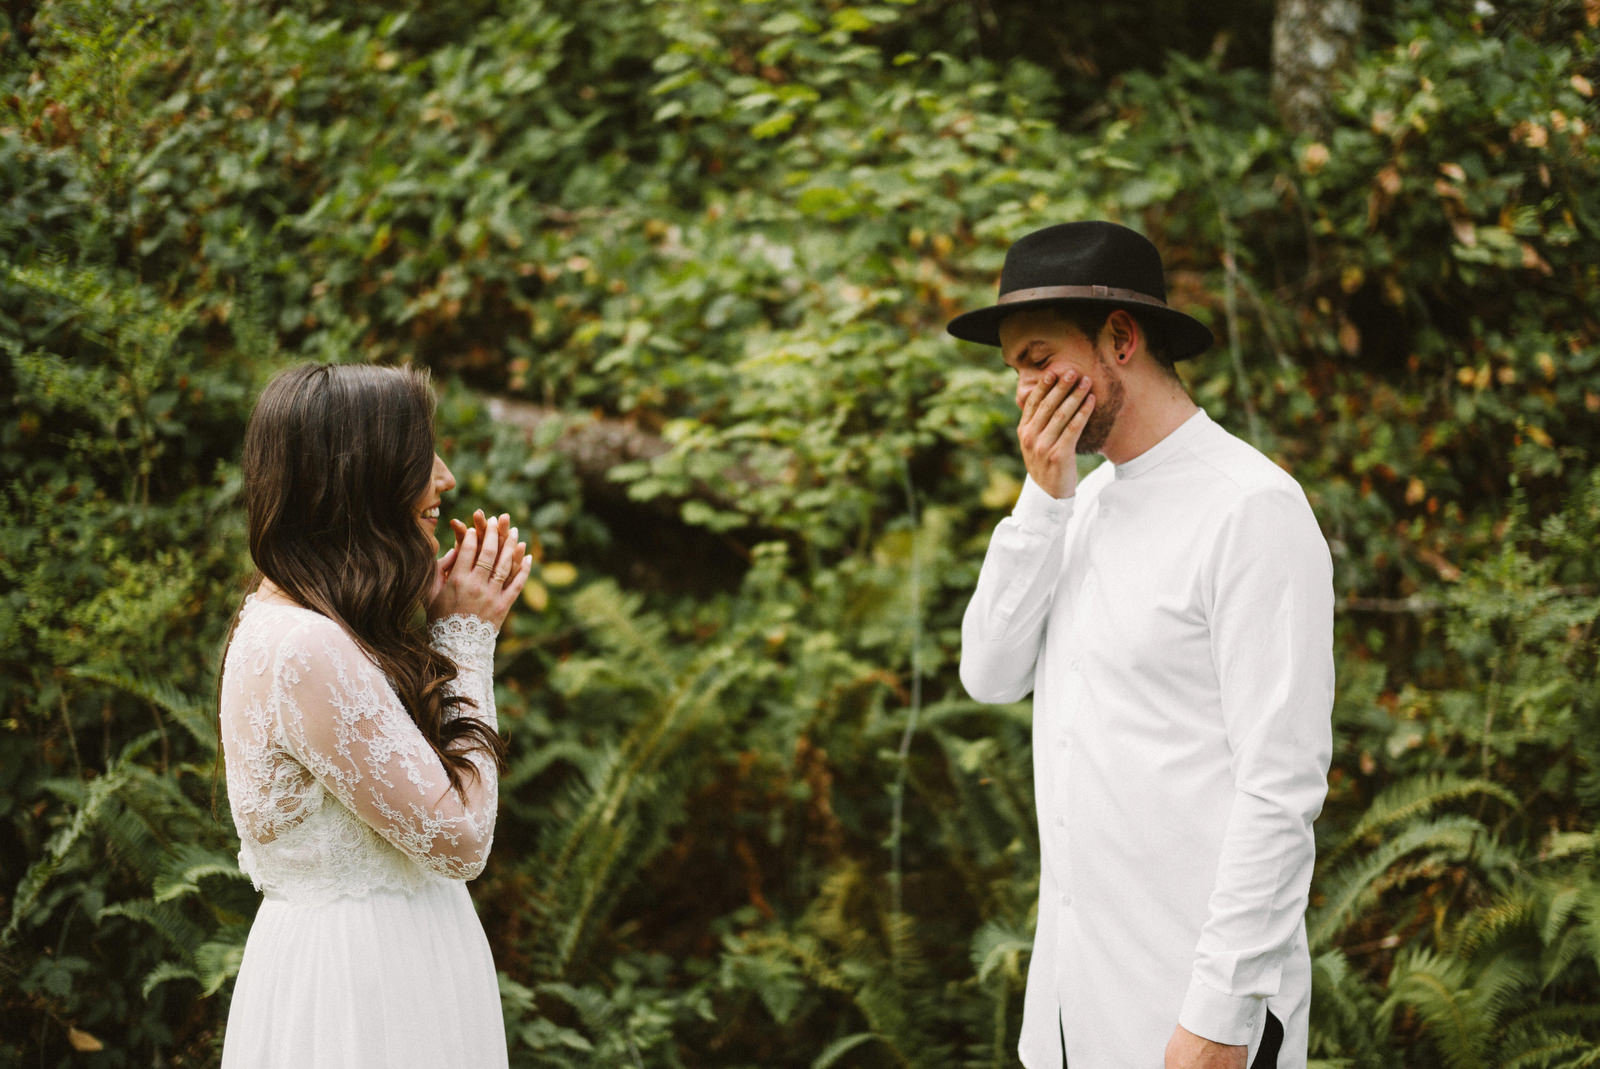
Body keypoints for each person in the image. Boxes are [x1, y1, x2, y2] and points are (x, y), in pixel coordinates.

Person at [950, 222, 1334, 1069]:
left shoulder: (1251, 508)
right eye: (1015, 368)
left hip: (1193, 1015)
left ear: (1120, 338)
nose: (1024, 391)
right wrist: (1043, 499)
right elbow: (987, 672)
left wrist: (1219, 1018)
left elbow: (1281, 788)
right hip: (1070, 1008)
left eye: (1039, 358)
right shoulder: (1076, 507)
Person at [218, 362, 534, 1068]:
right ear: (359, 477)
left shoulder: (305, 623)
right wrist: (466, 638)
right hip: (362, 994)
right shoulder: (306, 645)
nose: (444, 476)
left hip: (391, 967)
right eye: (422, 455)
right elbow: (459, 839)